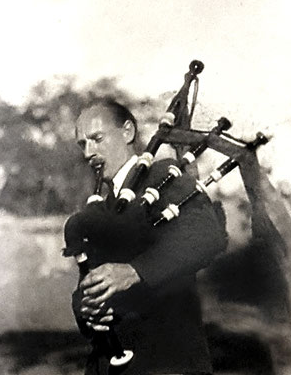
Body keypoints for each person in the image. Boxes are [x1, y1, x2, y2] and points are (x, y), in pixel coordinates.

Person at [71, 99, 228, 375]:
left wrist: (135, 271)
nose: (88, 153)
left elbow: (207, 235)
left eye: (96, 139)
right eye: (82, 144)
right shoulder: (100, 209)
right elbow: (89, 281)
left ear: (127, 132)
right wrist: (85, 309)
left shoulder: (165, 175)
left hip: (167, 362)